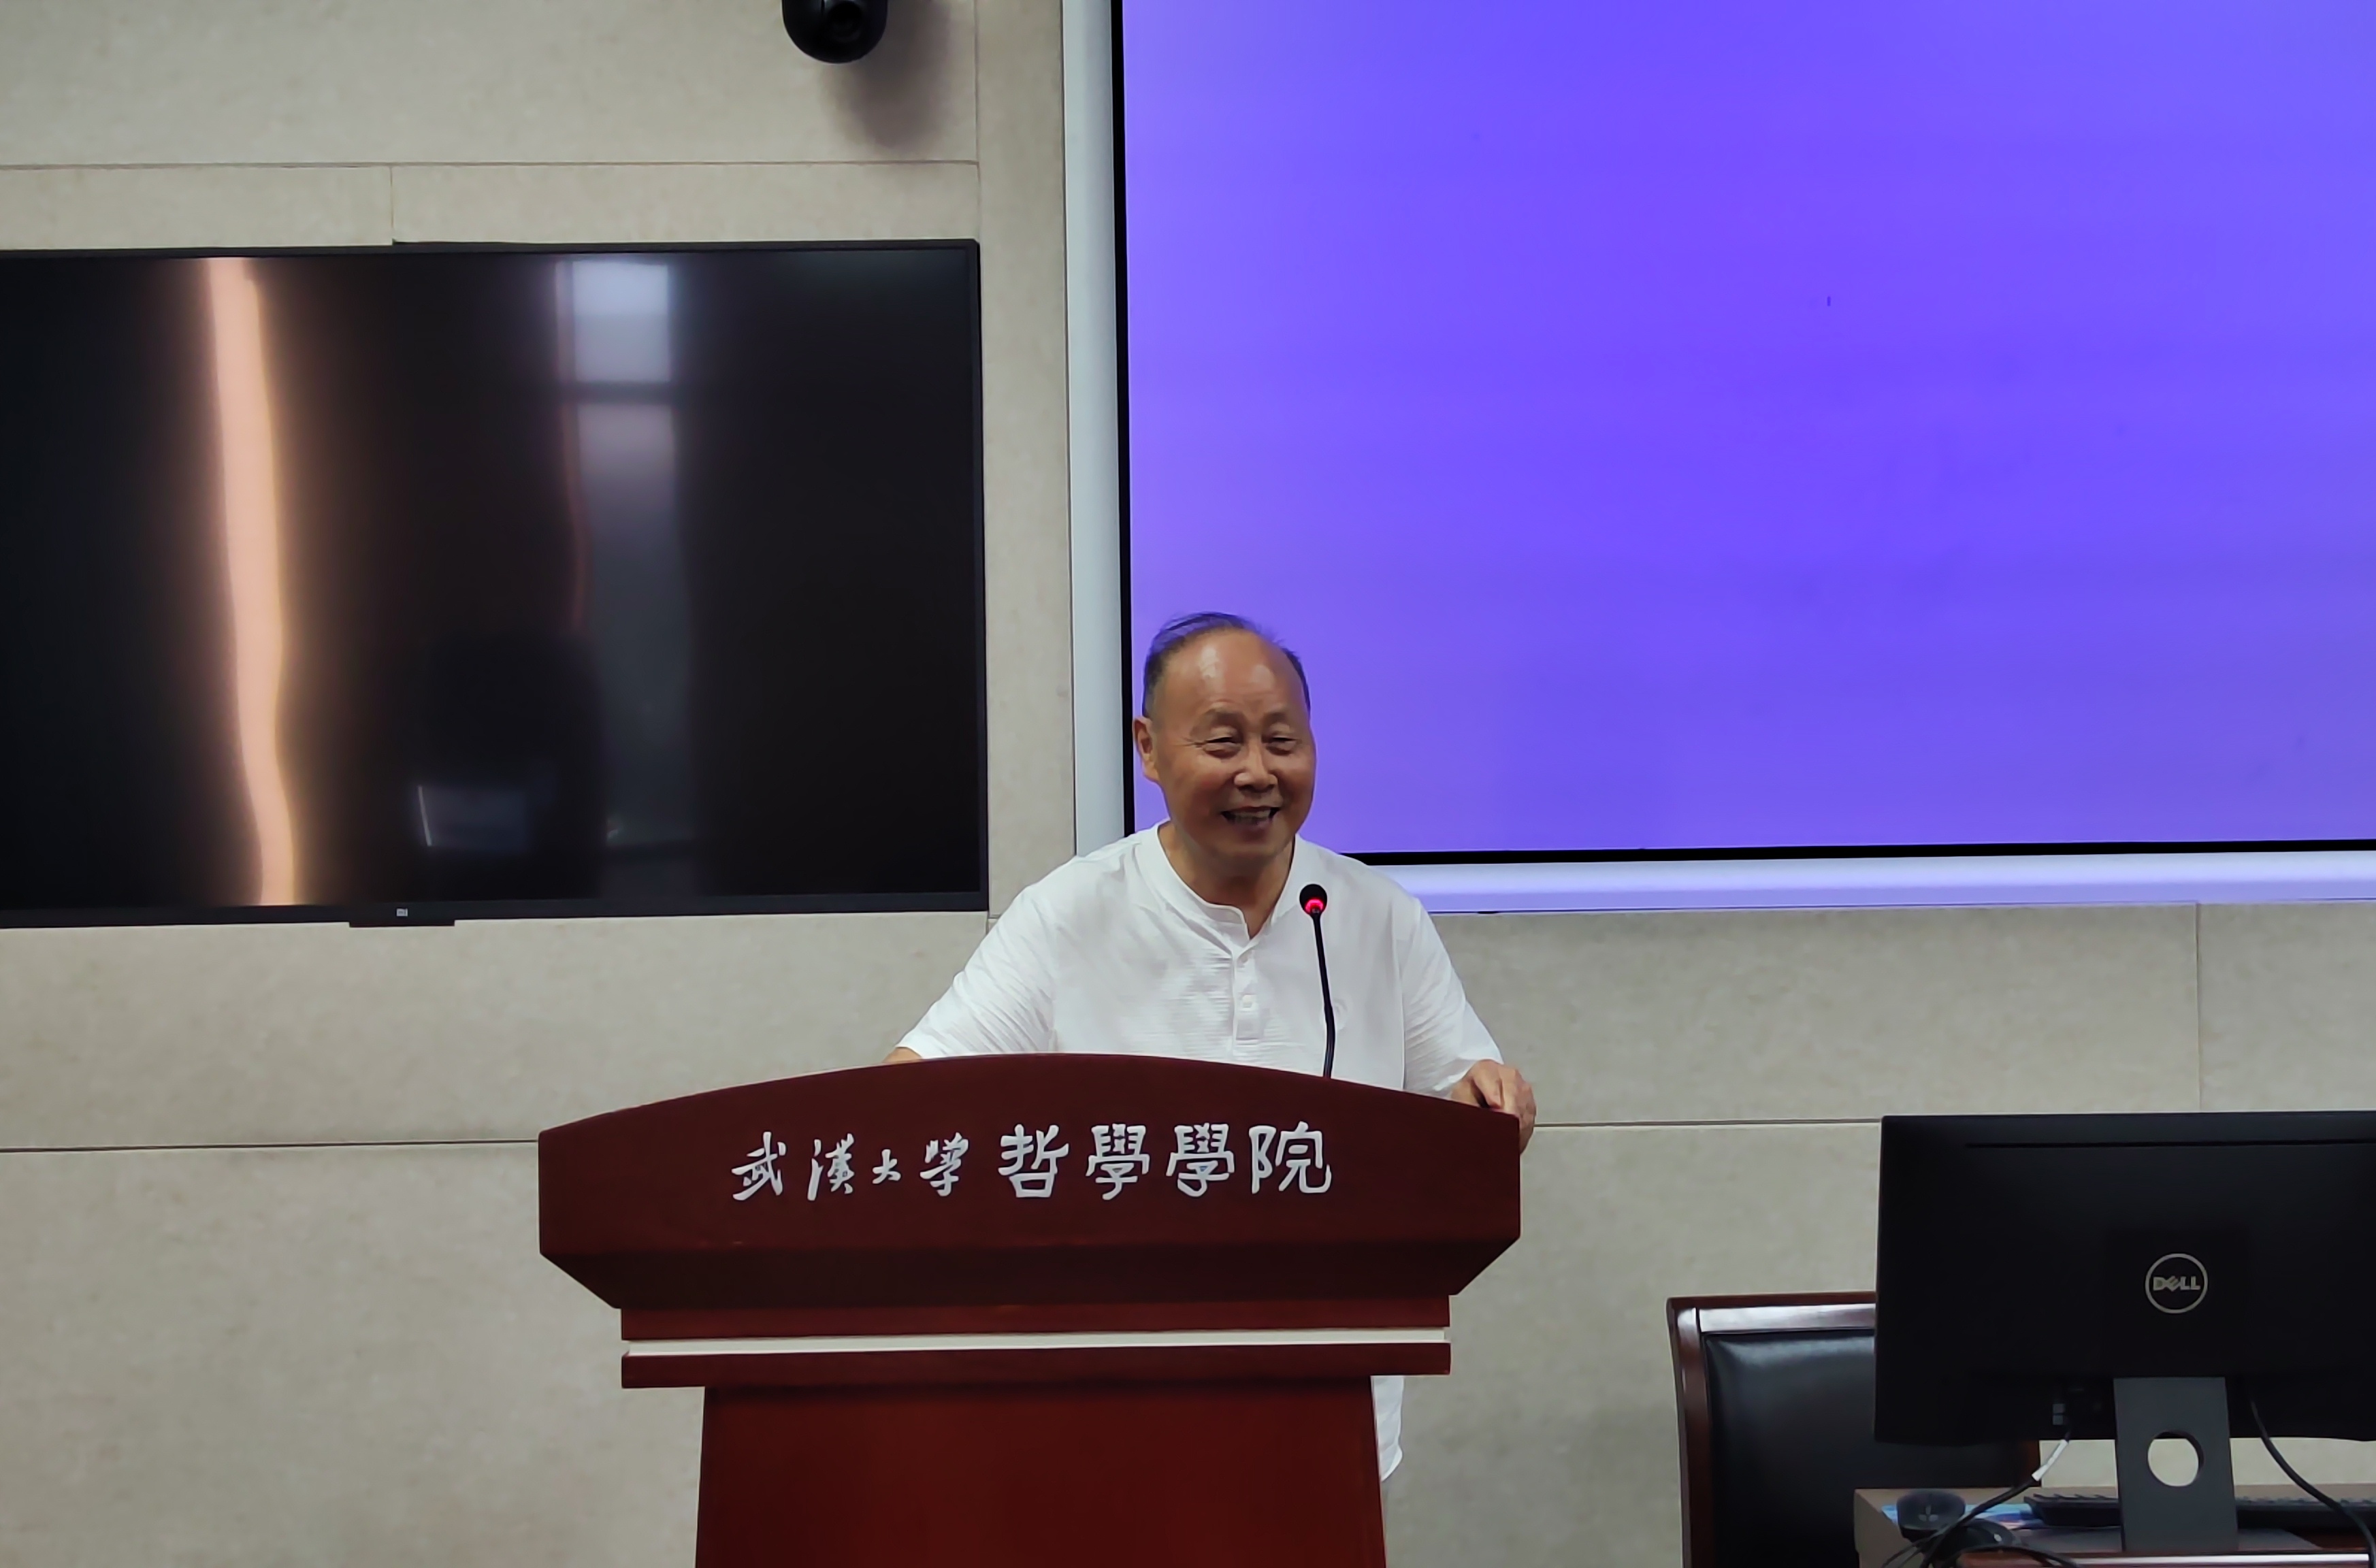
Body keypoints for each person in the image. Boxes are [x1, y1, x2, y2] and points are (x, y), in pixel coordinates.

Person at [886, 610, 1537, 1484]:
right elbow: (910, 1099)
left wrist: (1491, 1107)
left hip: (1328, 1414)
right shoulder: (1069, 915)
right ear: (1148, 750)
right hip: (1110, 1418)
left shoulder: (1374, 917)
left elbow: (1464, 1106)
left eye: (1282, 741)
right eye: (1223, 742)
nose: (1257, 772)